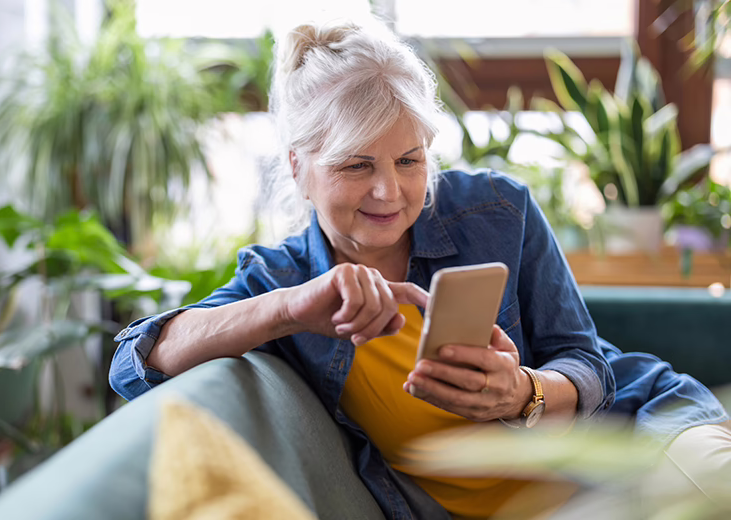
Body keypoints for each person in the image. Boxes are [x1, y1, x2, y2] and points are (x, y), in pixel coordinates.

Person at [109, 19, 729, 519]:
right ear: (298, 168)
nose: (390, 192)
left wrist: (524, 394)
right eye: (356, 166)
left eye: (409, 159)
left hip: (638, 437)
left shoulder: (494, 211)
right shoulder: (285, 281)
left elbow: (589, 365)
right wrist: (294, 307)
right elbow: (134, 362)